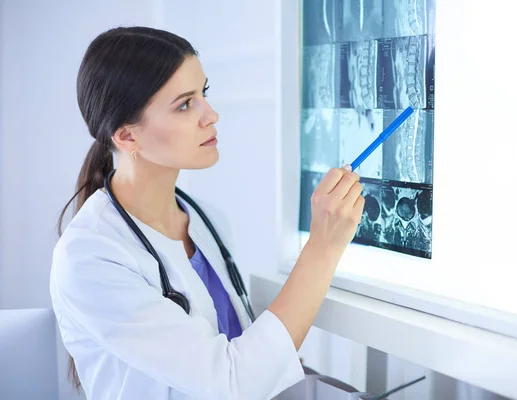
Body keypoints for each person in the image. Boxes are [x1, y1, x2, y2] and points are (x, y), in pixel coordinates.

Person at [50, 26, 365, 400]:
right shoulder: (90, 256)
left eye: (204, 93)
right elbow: (234, 383)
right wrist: (324, 246)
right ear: (128, 136)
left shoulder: (203, 220)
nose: (211, 115)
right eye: (185, 104)